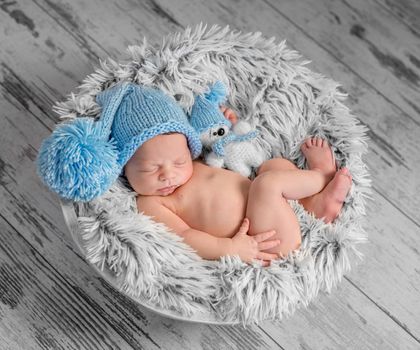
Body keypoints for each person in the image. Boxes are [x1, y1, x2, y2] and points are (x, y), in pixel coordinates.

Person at [37, 82, 352, 267]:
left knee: (271, 167)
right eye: (149, 168)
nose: (168, 175)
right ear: (125, 168)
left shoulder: (198, 160)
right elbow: (187, 238)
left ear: (189, 149)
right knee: (268, 184)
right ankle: (321, 176)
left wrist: (225, 119)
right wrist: (229, 250)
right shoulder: (151, 204)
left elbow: (220, 141)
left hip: (273, 212)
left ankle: (313, 206)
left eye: (177, 161)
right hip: (265, 238)